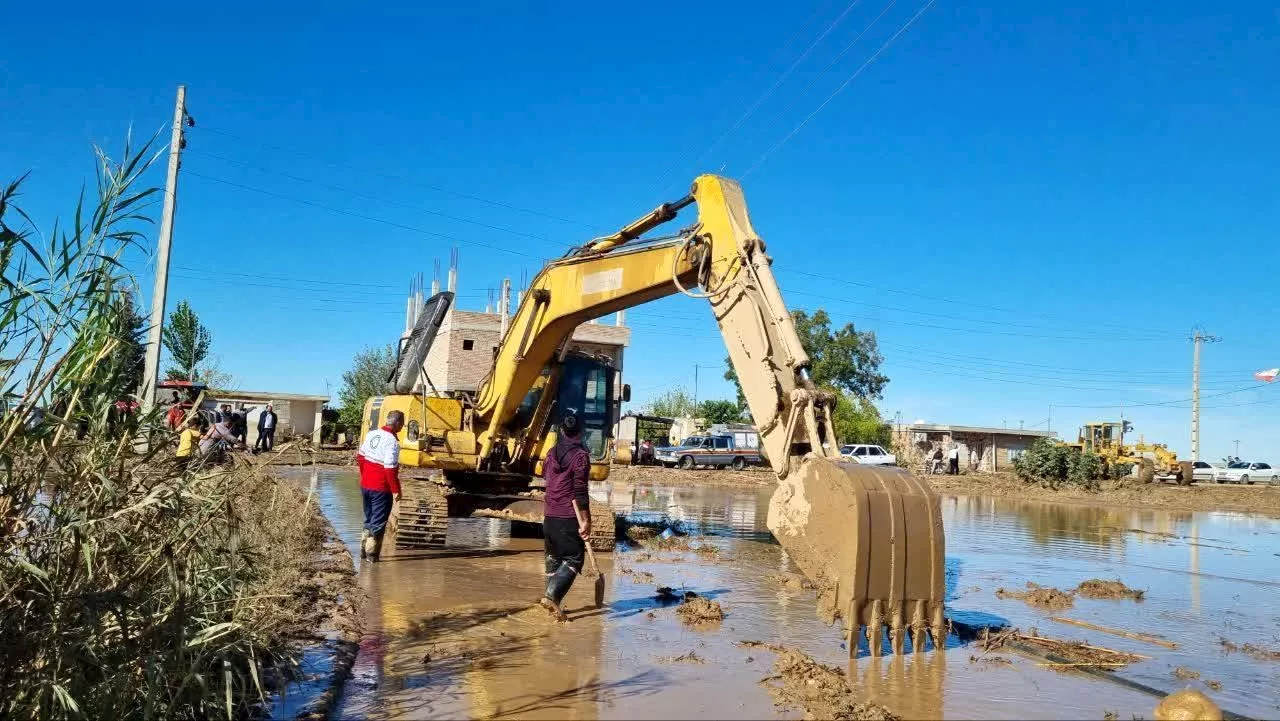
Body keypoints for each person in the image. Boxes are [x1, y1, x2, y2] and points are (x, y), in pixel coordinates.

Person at [539, 415, 591, 620]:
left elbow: (546, 476)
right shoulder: (581, 456)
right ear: (580, 432)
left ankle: (552, 603)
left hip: (549, 514)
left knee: (553, 559)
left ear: (561, 431)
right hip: (569, 515)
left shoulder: (551, 453)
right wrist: (586, 520)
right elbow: (580, 491)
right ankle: (551, 595)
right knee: (574, 558)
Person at [357, 410, 404, 562]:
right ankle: (372, 556)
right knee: (378, 522)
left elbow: (360, 457)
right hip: (381, 488)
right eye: (402, 423)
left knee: (368, 518)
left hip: (366, 485)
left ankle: (362, 553)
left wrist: (365, 477)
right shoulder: (392, 442)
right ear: (397, 423)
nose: (402, 427)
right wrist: (396, 490)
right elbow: (389, 469)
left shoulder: (372, 434)